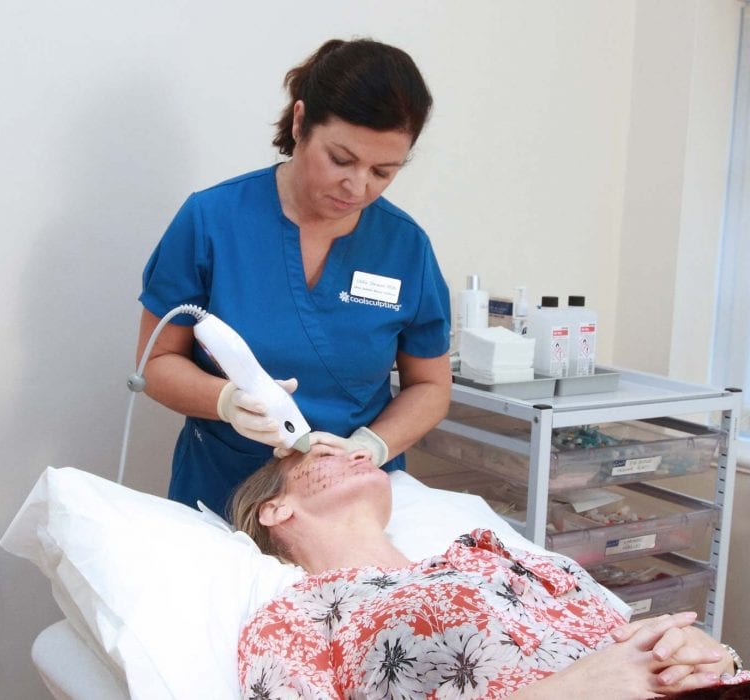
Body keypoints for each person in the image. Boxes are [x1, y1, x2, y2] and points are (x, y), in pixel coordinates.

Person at [136, 38, 451, 517]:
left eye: (383, 171)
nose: (358, 186)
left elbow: (430, 385)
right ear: (301, 122)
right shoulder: (212, 221)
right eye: (341, 160)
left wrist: (372, 446)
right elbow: (157, 362)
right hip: (222, 491)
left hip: (350, 501)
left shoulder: (406, 246)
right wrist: (226, 402)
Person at [232, 445, 748, 699]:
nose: (358, 451)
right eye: (324, 453)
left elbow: (626, 633)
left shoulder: (489, 551)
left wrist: (711, 654)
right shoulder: (297, 618)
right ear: (275, 510)